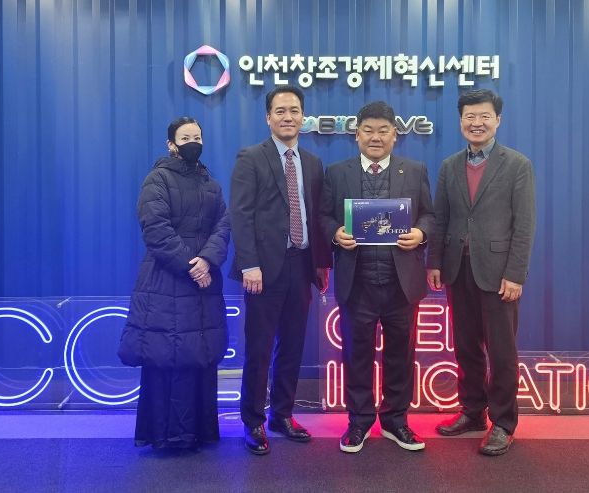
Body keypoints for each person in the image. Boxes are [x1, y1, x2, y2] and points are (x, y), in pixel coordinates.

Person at [320, 101, 434, 453]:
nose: (375, 137)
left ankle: (396, 421)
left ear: (394, 136)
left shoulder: (414, 170)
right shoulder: (337, 172)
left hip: (402, 284)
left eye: (383, 131)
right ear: (356, 135)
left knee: (401, 356)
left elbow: (429, 215)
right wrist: (335, 232)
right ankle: (358, 422)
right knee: (356, 356)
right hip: (358, 283)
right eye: (368, 130)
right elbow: (323, 216)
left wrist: (421, 233)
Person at [427, 89, 536, 456]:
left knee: (502, 352)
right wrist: (434, 262)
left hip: (499, 273)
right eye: (469, 117)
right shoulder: (449, 166)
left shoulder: (517, 165)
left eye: (484, 116)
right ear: (461, 121)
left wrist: (516, 274)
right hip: (458, 271)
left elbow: (524, 225)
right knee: (466, 347)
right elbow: (441, 218)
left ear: (497, 120)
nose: (476, 123)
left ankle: (503, 422)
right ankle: (473, 411)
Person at [118, 117, 231, 450]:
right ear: (171, 144)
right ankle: (165, 436)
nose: (192, 142)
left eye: (197, 137)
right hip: (166, 280)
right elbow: (155, 228)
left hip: (204, 280)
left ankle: (199, 433)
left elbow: (224, 225)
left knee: (199, 354)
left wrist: (207, 259)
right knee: (165, 354)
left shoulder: (211, 183)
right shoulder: (157, 179)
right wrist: (190, 265)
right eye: (185, 137)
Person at [229, 85, 331, 455]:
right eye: (280, 111)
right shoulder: (251, 157)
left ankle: (282, 415)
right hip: (263, 269)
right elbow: (240, 214)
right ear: (268, 117)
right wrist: (249, 264)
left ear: (303, 116)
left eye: (294, 111)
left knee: (293, 345)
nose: (288, 117)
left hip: (301, 266)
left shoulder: (313, 163)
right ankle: (253, 421)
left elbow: (317, 216)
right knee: (259, 348)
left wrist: (321, 263)